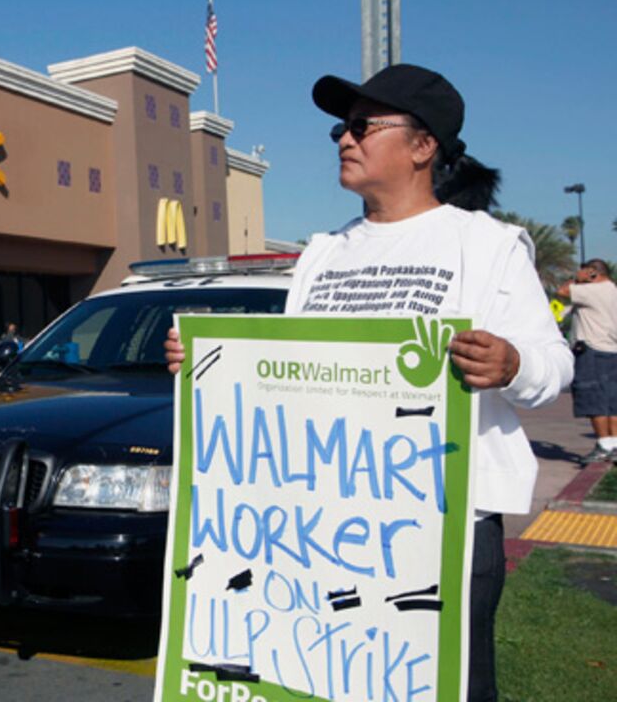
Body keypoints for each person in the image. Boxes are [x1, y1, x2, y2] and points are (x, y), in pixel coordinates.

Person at [165, 64, 572, 702]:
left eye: (361, 126)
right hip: (327, 525)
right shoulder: (324, 252)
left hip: (447, 524)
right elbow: (289, 377)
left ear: (422, 145)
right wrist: (208, 365)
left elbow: (554, 363)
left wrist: (513, 364)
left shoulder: (486, 245)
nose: (343, 140)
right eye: (339, 128)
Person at [555, 259, 617, 462]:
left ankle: (603, 444)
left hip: (592, 351)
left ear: (592, 273)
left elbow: (562, 291)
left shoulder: (593, 291)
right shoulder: (612, 290)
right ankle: (614, 443)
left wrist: (575, 279)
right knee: (611, 401)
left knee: (592, 398)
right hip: (611, 351)